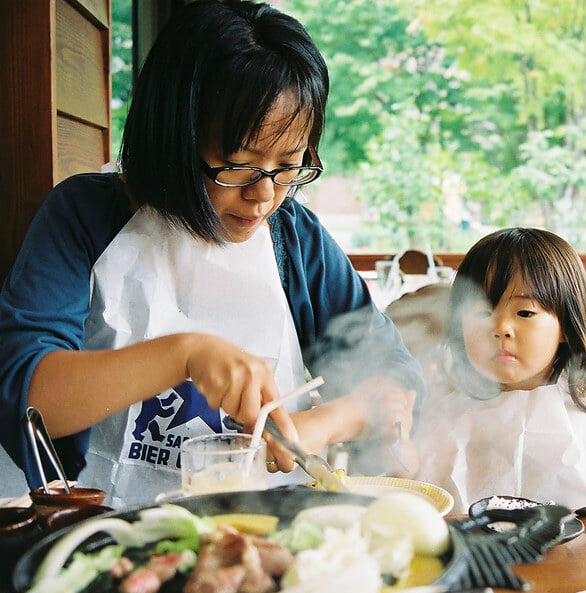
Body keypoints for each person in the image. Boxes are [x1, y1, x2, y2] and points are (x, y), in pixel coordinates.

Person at [0, 0, 421, 506]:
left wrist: (323, 423)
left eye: (288, 165)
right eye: (238, 165)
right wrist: (184, 355)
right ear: (174, 139)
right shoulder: (85, 215)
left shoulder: (296, 239)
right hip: (102, 529)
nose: (264, 195)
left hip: (267, 531)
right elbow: (25, 397)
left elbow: (397, 378)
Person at [414, 227, 586, 512]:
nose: (501, 328)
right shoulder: (441, 416)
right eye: (482, 312)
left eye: (524, 312)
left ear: (566, 326)